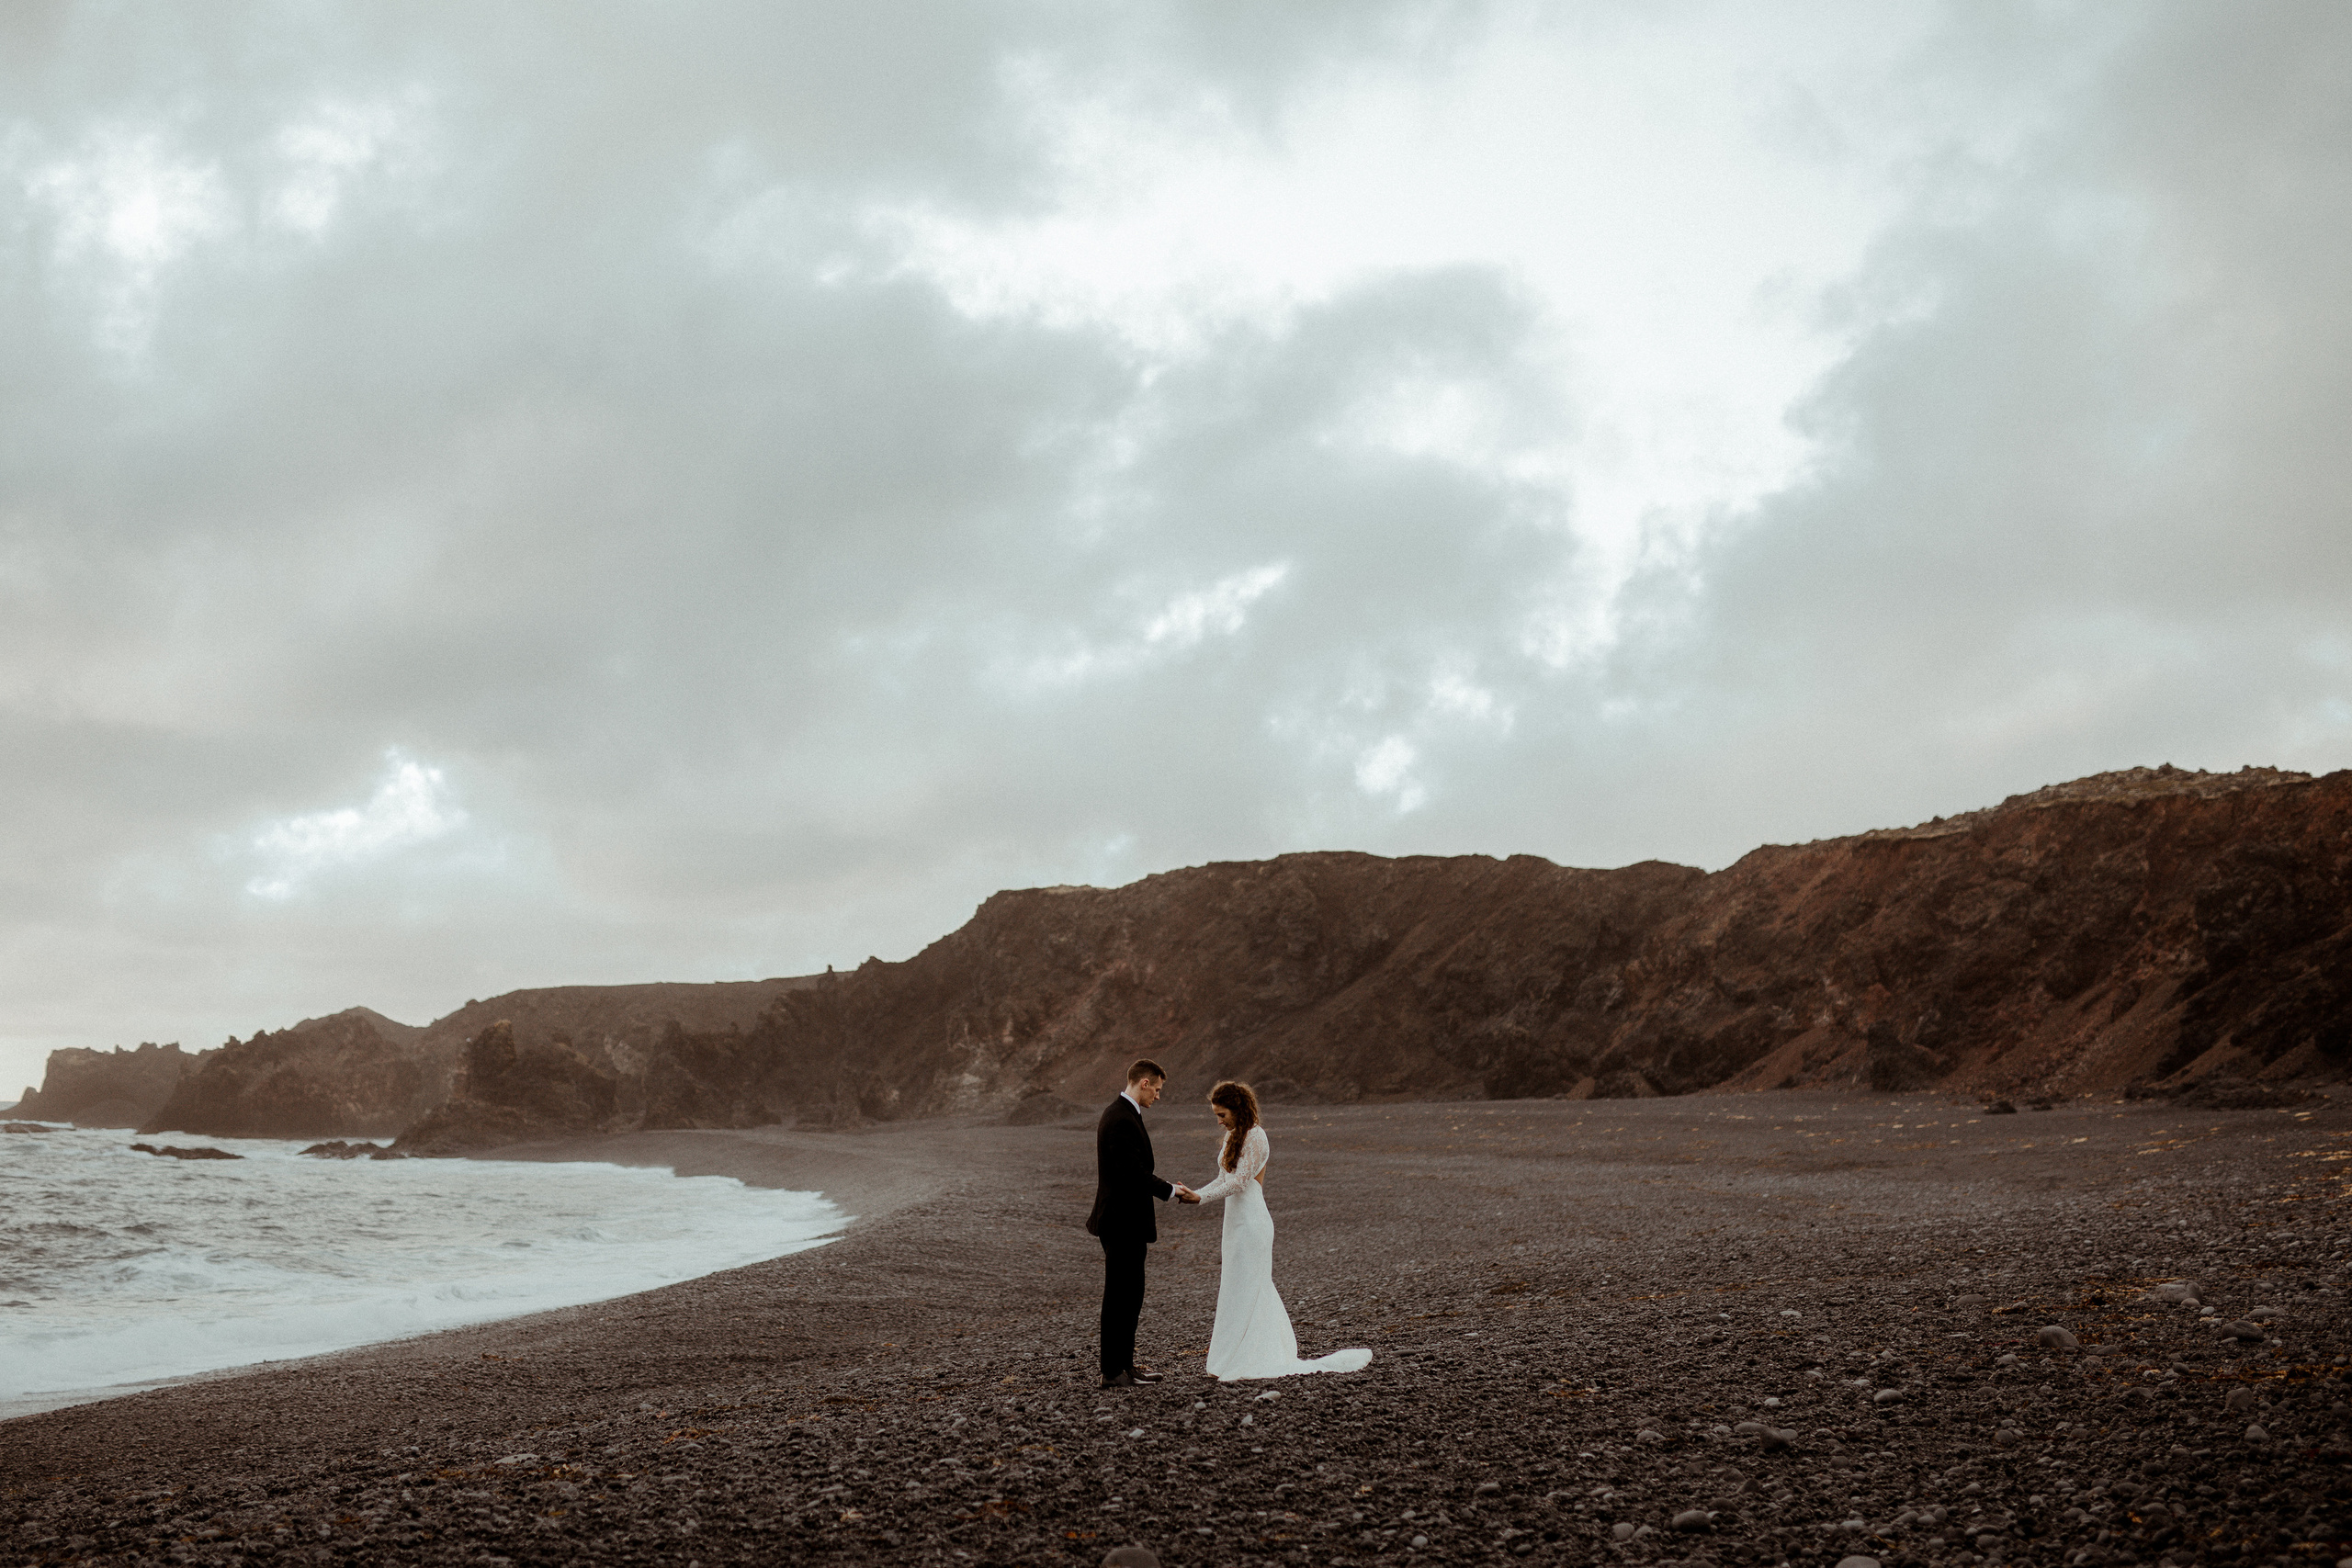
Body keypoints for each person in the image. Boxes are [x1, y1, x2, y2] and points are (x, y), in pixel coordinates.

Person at [1188, 1079, 1373, 1382]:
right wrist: (1194, 1194)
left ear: (1238, 1109)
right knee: (1236, 1287)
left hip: (1252, 1221)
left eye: (1222, 1114)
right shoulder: (1232, 1137)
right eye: (1216, 1115)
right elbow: (1222, 1179)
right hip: (1234, 1223)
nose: (1219, 1121)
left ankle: (1258, 1353)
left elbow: (1239, 1183)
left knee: (1254, 1285)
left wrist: (1200, 1198)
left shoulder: (1257, 1136)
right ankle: (1232, 1355)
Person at [1085, 1058, 1198, 1389]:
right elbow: (1131, 1173)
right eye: (1158, 1089)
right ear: (1144, 1083)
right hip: (1120, 1223)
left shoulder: (1124, 1114)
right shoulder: (1120, 1117)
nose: (1159, 1097)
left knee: (1130, 1295)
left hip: (1126, 1223)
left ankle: (1125, 1366)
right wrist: (1170, 1190)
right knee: (1120, 1296)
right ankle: (1112, 1372)